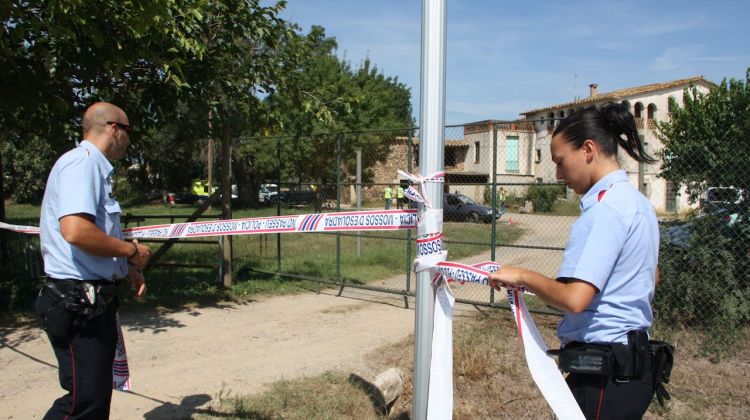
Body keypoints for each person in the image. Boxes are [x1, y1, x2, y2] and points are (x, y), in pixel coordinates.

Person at [488, 103, 662, 420]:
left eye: (560, 162)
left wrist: (521, 276)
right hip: (633, 370)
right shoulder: (639, 204)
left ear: (588, 149)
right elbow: (652, 277)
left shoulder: (604, 211)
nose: (557, 174)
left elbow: (574, 299)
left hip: (603, 377)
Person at [36, 102, 151, 419]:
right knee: (83, 404)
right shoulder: (83, 164)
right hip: (77, 302)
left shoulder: (93, 169)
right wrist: (131, 252)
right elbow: (76, 231)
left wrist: (123, 269)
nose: (129, 140)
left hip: (89, 298)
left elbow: (89, 239)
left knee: (92, 399)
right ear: (114, 128)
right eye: (129, 131)